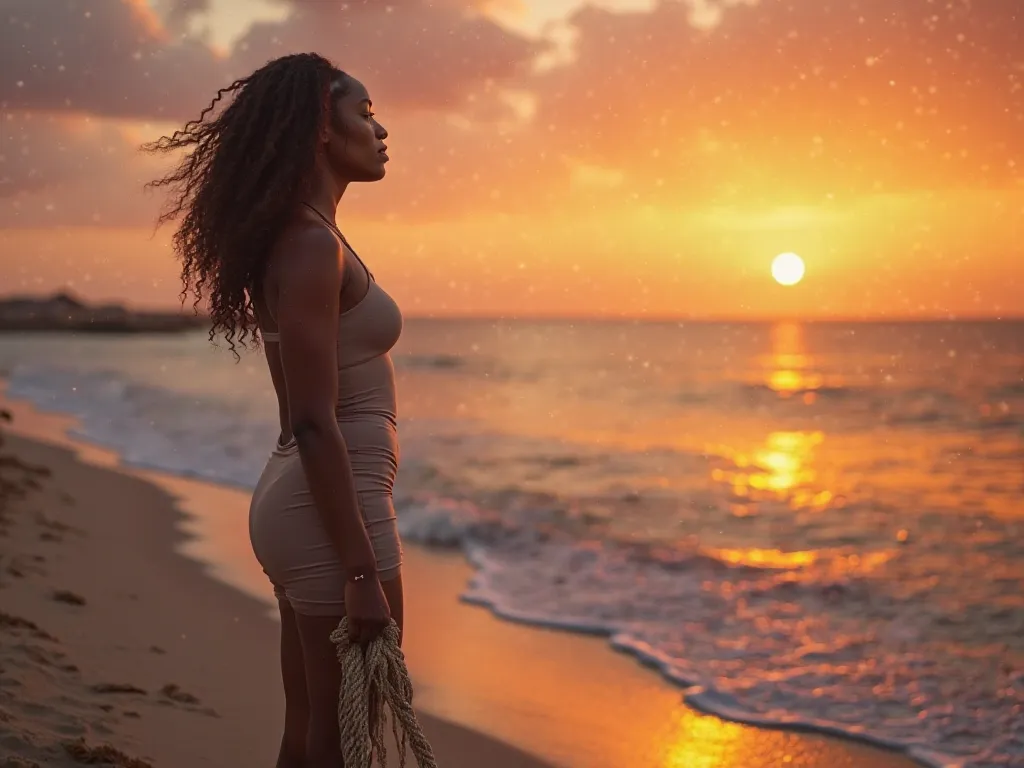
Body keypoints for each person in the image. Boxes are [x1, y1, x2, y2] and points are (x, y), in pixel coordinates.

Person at [143, 52, 402, 768]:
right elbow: (316, 418)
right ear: (323, 126)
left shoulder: (306, 234)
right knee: (348, 739)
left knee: (312, 731)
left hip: (306, 499)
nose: (382, 131)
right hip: (333, 510)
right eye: (367, 113)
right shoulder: (312, 244)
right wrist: (359, 570)